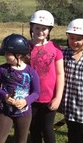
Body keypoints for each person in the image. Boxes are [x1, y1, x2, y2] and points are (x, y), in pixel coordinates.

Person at [0, 34, 40, 143]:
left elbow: (36, 92)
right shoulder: (2, 69)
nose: (4, 55)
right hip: (5, 111)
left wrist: (25, 101)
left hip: (24, 113)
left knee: (21, 140)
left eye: (7, 53)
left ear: (18, 55)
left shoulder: (31, 72)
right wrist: (5, 96)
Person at [28, 10, 64, 143]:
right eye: (37, 27)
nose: (40, 31)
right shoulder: (26, 46)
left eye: (44, 28)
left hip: (49, 97)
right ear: (31, 27)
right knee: (34, 128)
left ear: (49, 30)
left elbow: (60, 74)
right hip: (30, 97)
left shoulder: (55, 47)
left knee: (47, 129)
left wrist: (58, 97)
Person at [61, 18, 83, 143]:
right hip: (69, 107)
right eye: (71, 38)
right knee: (72, 137)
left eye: (78, 39)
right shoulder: (64, 54)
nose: (74, 42)